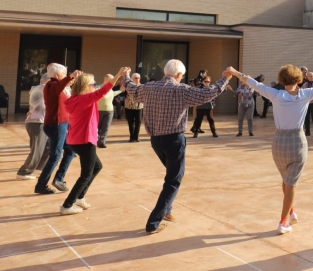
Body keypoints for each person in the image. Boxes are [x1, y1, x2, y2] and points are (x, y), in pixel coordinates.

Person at [231, 65, 313, 234]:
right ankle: (283, 222)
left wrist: (235, 73)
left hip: (278, 142)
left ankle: (292, 212)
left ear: (282, 79)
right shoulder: (305, 94)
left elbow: (253, 83)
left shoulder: (276, 94)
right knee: (291, 183)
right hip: (297, 142)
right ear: (298, 79)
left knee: (287, 180)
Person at [120, 60, 232, 234]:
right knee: (173, 180)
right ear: (179, 75)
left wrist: (125, 75)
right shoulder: (181, 90)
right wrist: (225, 78)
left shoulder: (149, 87)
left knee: (172, 175)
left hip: (156, 140)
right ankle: (153, 222)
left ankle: (167, 210)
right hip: (174, 140)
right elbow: (209, 93)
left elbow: (132, 89)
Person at [60, 68, 130, 215]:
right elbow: (105, 89)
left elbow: (100, 90)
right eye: (93, 84)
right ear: (86, 86)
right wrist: (118, 74)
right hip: (84, 141)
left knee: (97, 166)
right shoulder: (85, 99)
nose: (95, 86)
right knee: (86, 173)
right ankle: (67, 205)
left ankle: (79, 197)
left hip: (75, 140)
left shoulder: (72, 99)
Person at [35, 64, 80, 195]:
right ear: (57, 75)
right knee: (55, 156)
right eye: (64, 74)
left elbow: (65, 90)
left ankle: (59, 179)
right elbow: (60, 86)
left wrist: (72, 80)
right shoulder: (51, 85)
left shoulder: (58, 89)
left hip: (61, 125)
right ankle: (41, 185)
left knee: (71, 150)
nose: (66, 77)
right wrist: (71, 76)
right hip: (56, 125)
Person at [17, 74, 51, 180]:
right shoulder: (42, 88)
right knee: (37, 149)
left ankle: (39, 167)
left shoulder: (36, 88)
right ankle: (24, 172)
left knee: (48, 147)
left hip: (40, 122)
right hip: (37, 122)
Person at [96, 74, 120, 148]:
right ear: (106, 79)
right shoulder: (98, 88)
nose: (113, 81)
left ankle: (102, 142)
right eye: (112, 79)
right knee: (98, 127)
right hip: (99, 110)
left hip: (109, 110)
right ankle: (96, 141)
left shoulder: (110, 89)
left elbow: (112, 94)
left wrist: (120, 90)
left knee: (106, 127)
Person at [124, 72, 143, 143]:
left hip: (139, 107)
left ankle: (136, 137)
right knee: (130, 122)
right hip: (129, 107)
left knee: (138, 122)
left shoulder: (142, 86)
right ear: (132, 79)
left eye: (138, 78)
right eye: (135, 78)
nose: (137, 79)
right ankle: (132, 137)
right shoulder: (128, 86)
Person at [301, 72, 313, 137]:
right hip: (307, 102)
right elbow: (301, 91)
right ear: (307, 77)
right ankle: (307, 132)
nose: (311, 77)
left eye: (312, 76)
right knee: (306, 117)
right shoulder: (305, 84)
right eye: (310, 76)